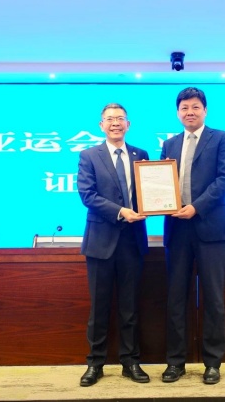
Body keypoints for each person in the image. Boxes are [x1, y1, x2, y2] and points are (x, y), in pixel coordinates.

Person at [160, 87, 225, 384]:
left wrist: (196, 207)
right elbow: (159, 183)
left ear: (205, 110)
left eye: (195, 107)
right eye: (184, 108)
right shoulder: (169, 144)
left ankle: (213, 363)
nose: (189, 112)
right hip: (177, 228)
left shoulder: (221, 138)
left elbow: (224, 180)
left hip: (211, 227)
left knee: (213, 298)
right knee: (175, 298)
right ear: (177, 113)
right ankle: (175, 362)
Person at [77, 103, 150, 386]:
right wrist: (121, 211)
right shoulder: (89, 156)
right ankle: (95, 364)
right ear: (101, 125)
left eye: (120, 119)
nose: (115, 123)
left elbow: (150, 190)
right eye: (110, 119)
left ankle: (130, 362)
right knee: (99, 308)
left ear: (128, 124)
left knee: (130, 307)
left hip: (132, 241)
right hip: (100, 241)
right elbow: (88, 195)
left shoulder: (141, 155)